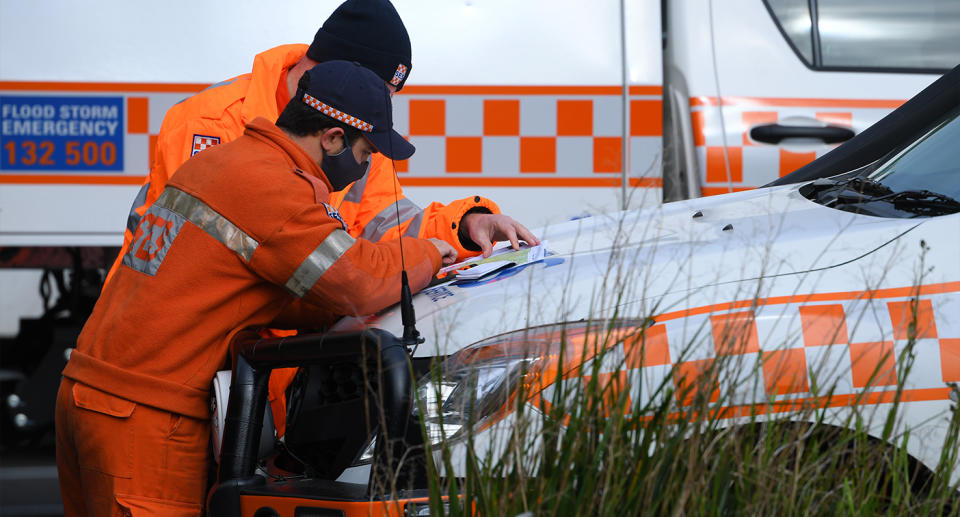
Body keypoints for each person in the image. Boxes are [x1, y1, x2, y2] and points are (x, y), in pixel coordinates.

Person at [56, 60, 455, 515]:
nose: (363, 169)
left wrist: (331, 312)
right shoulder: (272, 187)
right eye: (365, 155)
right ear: (333, 139)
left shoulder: (223, 161)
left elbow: (250, 292)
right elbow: (358, 281)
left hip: (92, 396)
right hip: (143, 418)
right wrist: (429, 254)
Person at [107, 0, 538, 286]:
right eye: (381, 92)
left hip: (267, 379)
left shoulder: (357, 131)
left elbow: (387, 226)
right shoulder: (207, 122)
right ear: (341, 74)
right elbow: (205, 261)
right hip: (177, 370)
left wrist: (465, 226)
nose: (382, 110)